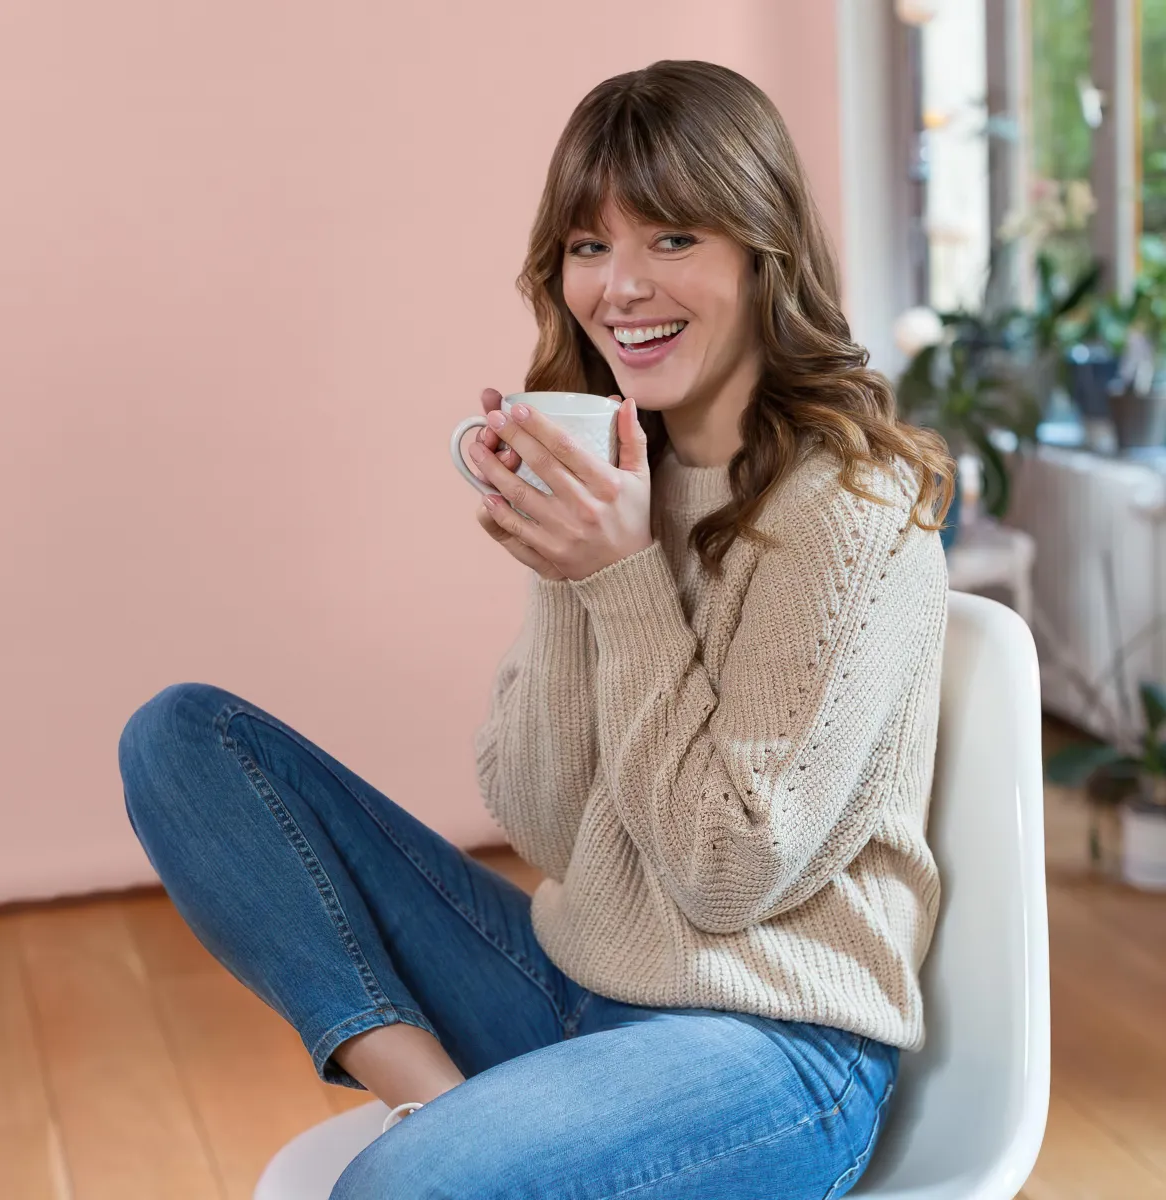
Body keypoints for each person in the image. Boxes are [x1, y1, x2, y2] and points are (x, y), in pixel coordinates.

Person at [118, 59, 952, 1199]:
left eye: (671, 240)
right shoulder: (622, 475)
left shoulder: (849, 515)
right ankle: (434, 1099)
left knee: (396, 1191)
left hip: (775, 1049)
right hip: (576, 993)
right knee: (182, 741)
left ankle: (439, 1148)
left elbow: (725, 874)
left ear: (763, 257)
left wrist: (618, 579)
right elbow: (550, 823)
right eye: (587, 246)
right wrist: (573, 563)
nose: (619, 286)